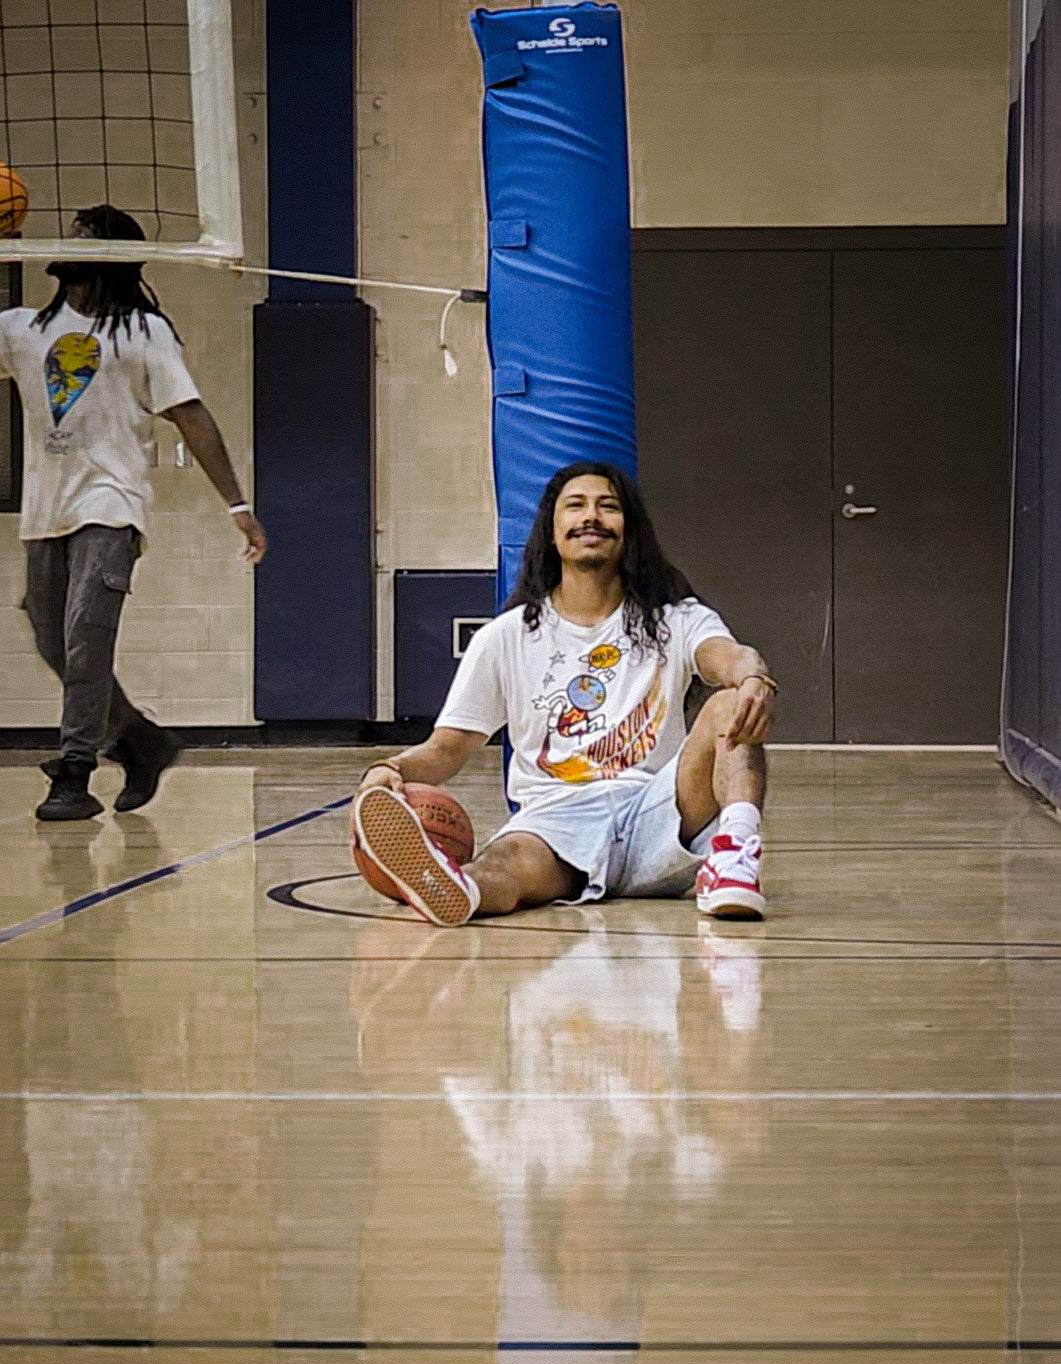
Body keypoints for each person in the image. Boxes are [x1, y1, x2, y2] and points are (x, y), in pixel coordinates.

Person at [353, 461, 775, 925]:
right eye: (575, 506)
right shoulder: (505, 637)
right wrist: (388, 769)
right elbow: (447, 748)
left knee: (733, 702)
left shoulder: (674, 618)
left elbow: (730, 657)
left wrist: (752, 675)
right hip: (555, 820)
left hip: (659, 811)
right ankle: (453, 886)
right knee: (504, 865)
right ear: (552, 534)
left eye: (608, 507)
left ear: (628, 531)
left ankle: (735, 860)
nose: (591, 516)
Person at [0, 204, 266, 821]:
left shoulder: (143, 333)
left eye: (83, 236)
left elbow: (191, 415)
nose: (67, 242)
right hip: (43, 512)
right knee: (52, 642)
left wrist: (239, 505)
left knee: (86, 641)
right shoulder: (21, 329)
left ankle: (73, 771)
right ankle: (143, 742)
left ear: (112, 255)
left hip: (110, 505)